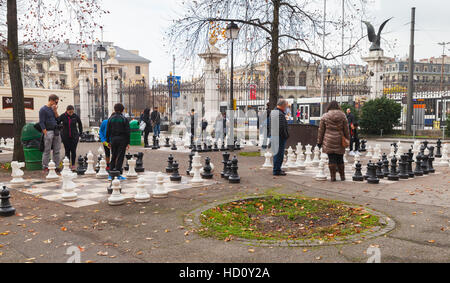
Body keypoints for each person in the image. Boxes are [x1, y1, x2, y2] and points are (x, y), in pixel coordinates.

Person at [318, 101, 350, 182]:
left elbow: (321, 131)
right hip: (340, 140)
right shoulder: (343, 115)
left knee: (331, 159)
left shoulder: (325, 116)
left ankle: (333, 177)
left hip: (328, 140)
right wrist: (348, 139)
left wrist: (319, 142)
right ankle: (342, 176)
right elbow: (346, 129)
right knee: (340, 158)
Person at [106, 103, 130, 180]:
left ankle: (110, 174)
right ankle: (118, 174)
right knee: (120, 157)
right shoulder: (124, 119)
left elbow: (108, 131)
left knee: (113, 156)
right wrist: (128, 142)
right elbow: (127, 131)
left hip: (113, 139)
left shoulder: (110, 119)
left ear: (114, 109)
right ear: (122, 110)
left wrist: (108, 141)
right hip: (122, 140)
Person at [39, 94, 61, 172]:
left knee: (57, 149)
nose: (56, 104)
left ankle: (56, 166)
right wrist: (45, 132)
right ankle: (45, 166)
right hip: (48, 131)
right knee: (47, 150)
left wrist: (55, 111)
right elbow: (41, 122)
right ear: (51, 100)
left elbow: (58, 120)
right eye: (56, 102)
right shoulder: (43, 109)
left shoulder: (53, 109)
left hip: (56, 131)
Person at [271, 99, 290, 176]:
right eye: (285, 106)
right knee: (279, 154)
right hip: (279, 137)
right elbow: (281, 127)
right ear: (282, 106)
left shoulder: (275, 112)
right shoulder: (279, 114)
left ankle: (277, 169)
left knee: (277, 153)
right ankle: (277, 170)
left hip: (275, 136)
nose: (286, 108)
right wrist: (285, 135)